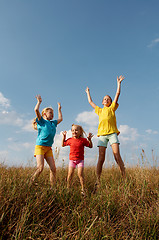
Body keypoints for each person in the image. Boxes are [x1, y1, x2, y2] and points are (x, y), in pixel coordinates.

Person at [85, 75, 126, 189]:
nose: (106, 100)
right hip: (102, 135)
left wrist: (118, 84)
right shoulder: (99, 110)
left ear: (110, 102)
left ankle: (124, 178)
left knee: (116, 155)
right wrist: (88, 92)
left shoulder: (112, 108)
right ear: (102, 102)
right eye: (104, 99)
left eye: (108, 99)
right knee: (101, 158)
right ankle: (97, 181)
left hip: (112, 134)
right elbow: (90, 101)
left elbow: (117, 95)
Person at [31, 94, 63, 186]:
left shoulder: (53, 123)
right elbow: (36, 110)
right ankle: (31, 182)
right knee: (40, 168)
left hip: (48, 148)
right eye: (50, 113)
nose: (52, 115)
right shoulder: (41, 121)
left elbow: (61, 118)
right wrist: (39, 102)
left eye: (53, 113)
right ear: (45, 114)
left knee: (53, 169)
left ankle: (52, 187)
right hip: (40, 147)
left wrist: (59, 109)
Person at [62, 124, 93, 195]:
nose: (74, 132)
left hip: (80, 160)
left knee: (80, 174)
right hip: (72, 160)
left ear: (80, 132)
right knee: (70, 174)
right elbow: (63, 144)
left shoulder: (83, 140)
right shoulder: (70, 140)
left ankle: (83, 189)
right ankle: (68, 188)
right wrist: (64, 137)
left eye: (76, 130)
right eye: (72, 130)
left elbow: (90, 146)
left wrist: (89, 140)